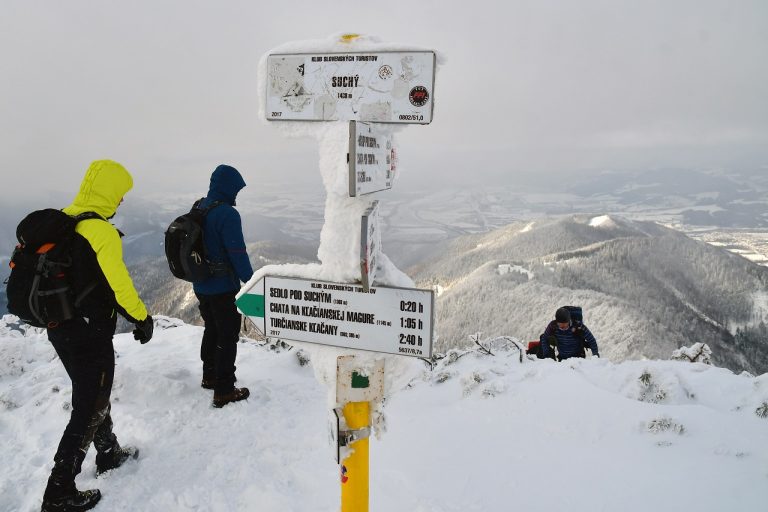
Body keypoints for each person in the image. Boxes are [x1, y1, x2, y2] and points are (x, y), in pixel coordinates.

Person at [41, 160, 154, 512]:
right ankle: (58, 491)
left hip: (60, 328)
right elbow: (120, 287)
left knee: (92, 394)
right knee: (89, 405)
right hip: (90, 333)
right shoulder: (99, 231)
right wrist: (142, 318)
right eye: (119, 193)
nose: (121, 201)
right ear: (108, 191)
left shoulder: (62, 220)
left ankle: (107, 452)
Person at [193, 164, 254, 408]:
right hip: (222, 288)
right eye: (236, 189)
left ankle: (209, 375)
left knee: (212, 329)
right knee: (227, 336)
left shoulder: (200, 206)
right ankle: (224, 389)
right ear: (228, 187)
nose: (237, 194)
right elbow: (237, 253)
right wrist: (252, 282)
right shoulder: (227, 214)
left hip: (201, 285)